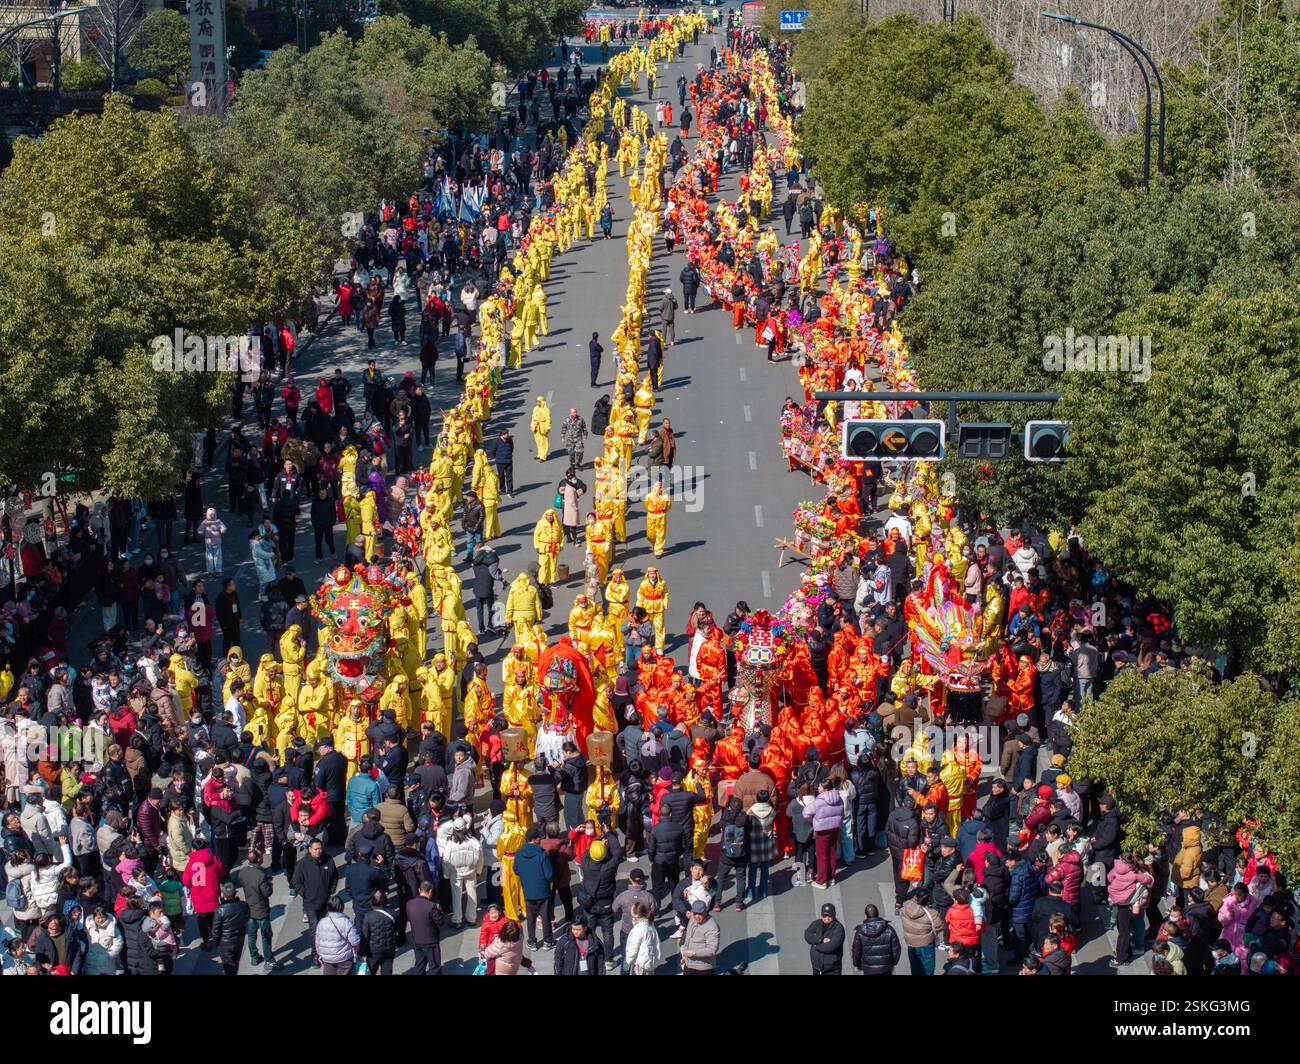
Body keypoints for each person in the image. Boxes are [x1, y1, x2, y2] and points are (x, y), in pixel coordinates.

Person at [210, 880, 251, 975]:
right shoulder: (244, 905)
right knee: (235, 962)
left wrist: (217, 942)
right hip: (239, 939)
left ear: (223, 894)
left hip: (225, 943)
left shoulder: (220, 910)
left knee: (229, 966)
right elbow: (247, 918)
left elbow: (215, 930)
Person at [314, 897, 360, 975]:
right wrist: (356, 954)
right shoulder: (347, 922)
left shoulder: (322, 922)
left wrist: (320, 954)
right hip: (344, 958)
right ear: (342, 907)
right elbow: (355, 942)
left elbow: (317, 941)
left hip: (328, 958)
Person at [852, 903, 902, 974]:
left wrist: (857, 964)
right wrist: (893, 963)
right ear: (878, 913)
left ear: (865, 915)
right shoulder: (889, 929)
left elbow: (856, 951)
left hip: (869, 970)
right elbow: (896, 949)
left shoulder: (860, 932)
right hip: (886, 968)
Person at [406, 879, 443, 975]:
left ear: (419, 890)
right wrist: (439, 910)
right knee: (434, 966)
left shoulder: (409, 904)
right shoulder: (432, 906)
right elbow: (440, 922)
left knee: (419, 965)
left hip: (417, 940)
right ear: (430, 891)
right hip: (431, 941)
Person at [680, 899, 719, 975]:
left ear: (705, 912)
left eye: (700, 913)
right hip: (689, 964)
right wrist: (685, 956)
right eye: (695, 913)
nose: (697, 916)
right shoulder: (692, 919)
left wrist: (694, 953)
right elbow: (688, 938)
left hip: (704, 968)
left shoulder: (712, 927)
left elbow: (712, 950)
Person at [805, 901, 845, 975]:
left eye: (829, 916)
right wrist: (821, 940)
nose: (827, 918)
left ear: (834, 915)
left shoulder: (839, 929)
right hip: (816, 967)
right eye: (824, 916)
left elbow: (830, 947)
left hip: (832, 969)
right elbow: (807, 934)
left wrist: (815, 945)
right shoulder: (817, 923)